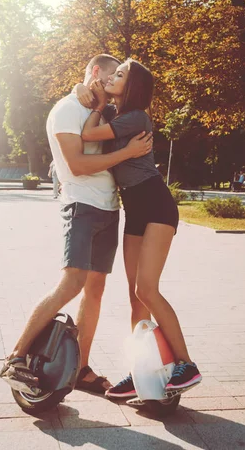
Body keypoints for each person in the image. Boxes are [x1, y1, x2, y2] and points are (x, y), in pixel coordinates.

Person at [0, 54, 153, 394]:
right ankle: (16, 358)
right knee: (71, 283)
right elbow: (79, 164)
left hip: (109, 208)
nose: (115, 83)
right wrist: (128, 153)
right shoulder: (68, 109)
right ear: (96, 73)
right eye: (111, 75)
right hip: (81, 206)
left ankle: (80, 368)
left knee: (94, 291)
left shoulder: (105, 111)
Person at [76, 58, 202, 399]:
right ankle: (140, 371)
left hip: (156, 203)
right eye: (112, 73)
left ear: (132, 87)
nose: (113, 76)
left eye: (120, 74)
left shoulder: (135, 118)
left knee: (147, 289)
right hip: (133, 208)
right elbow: (86, 126)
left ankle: (186, 364)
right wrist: (94, 99)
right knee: (135, 299)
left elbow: (87, 133)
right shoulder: (117, 117)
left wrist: (99, 105)